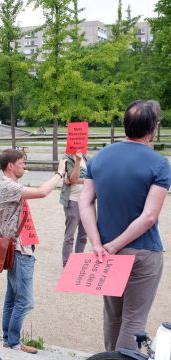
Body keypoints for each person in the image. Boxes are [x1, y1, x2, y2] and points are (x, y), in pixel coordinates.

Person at [79, 100, 170, 352]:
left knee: (113, 316)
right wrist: (115, 244)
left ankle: (109, 357)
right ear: (153, 128)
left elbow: (85, 203)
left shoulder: (99, 158)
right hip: (143, 251)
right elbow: (150, 216)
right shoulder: (159, 164)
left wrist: (98, 244)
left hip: (106, 252)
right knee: (134, 320)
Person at [0, 149, 66, 354]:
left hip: (16, 247)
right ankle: (14, 342)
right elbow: (43, 192)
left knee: (12, 297)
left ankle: (9, 340)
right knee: (25, 301)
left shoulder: (9, 185)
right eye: (21, 163)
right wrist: (60, 173)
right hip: (19, 250)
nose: (24, 166)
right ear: (10, 166)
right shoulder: (9, 186)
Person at [59, 150, 88, 267]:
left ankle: (78, 259)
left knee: (83, 234)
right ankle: (67, 263)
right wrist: (78, 162)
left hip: (86, 201)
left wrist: (77, 180)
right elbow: (73, 179)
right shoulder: (66, 158)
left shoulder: (86, 157)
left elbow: (91, 177)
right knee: (70, 234)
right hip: (72, 200)